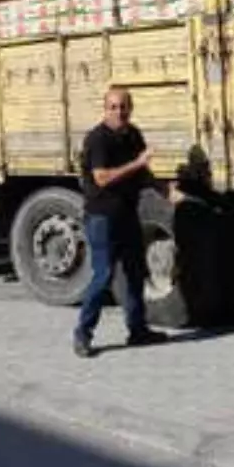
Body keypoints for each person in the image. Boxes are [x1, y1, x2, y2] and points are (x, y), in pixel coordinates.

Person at [73, 86, 170, 358]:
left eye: (124, 106)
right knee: (103, 275)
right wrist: (138, 164)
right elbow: (102, 178)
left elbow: (143, 173)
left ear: (131, 108)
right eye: (113, 107)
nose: (119, 112)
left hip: (127, 214)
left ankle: (137, 331)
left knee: (136, 272)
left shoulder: (133, 134)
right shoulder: (98, 139)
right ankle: (82, 335)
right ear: (104, 109)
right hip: (102, 218)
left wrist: (164, 190)